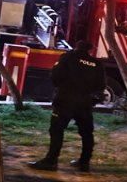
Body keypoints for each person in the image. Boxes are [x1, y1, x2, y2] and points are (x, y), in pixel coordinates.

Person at [28, 39, 106, 172]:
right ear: (90, 50)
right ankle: (84, 163)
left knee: (57, 130)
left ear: (77, 47)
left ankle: (51, 161)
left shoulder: (68, 57)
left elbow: (56, 76)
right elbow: (101, 86)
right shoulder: (97, 64)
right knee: (87, 133)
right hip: (85, 103)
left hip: (65, 100)